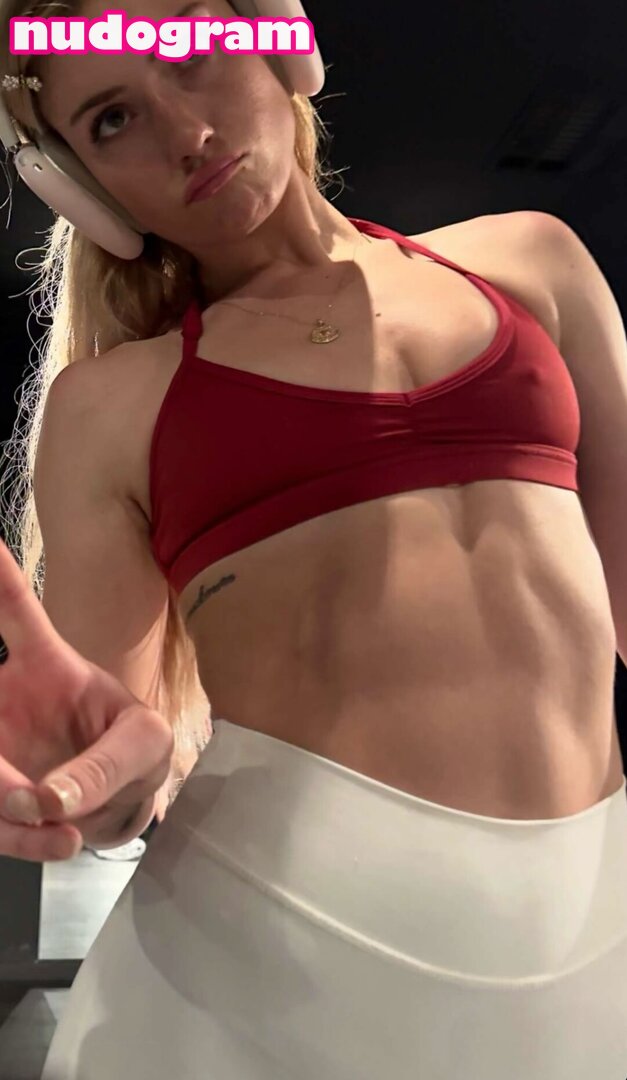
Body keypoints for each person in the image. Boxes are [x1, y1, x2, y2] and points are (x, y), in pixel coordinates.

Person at [0, 1, 627, 1077]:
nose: (187, 132)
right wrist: (88, 786)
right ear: (78, 185)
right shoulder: (112, 407)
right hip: (257, 970)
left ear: (278, 41)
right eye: (112, 120)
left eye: (194, 54)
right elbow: (118, 771)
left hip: (588, 934)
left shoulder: (533, 265)